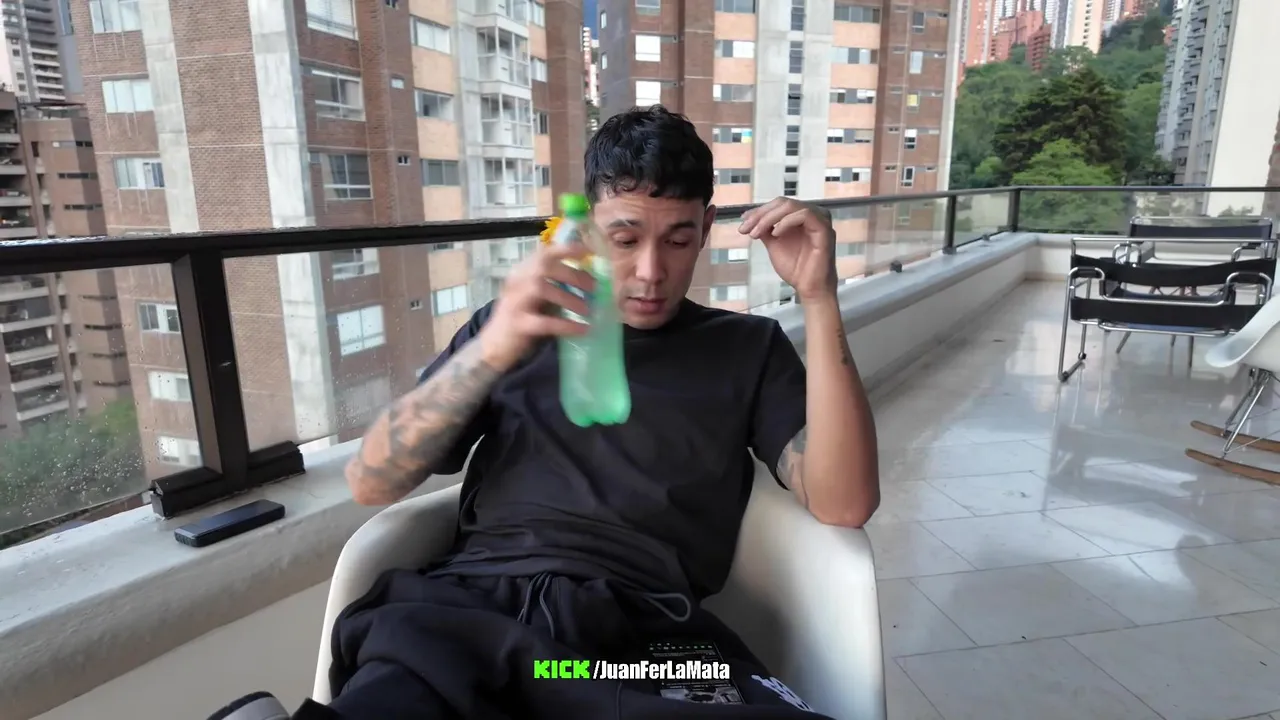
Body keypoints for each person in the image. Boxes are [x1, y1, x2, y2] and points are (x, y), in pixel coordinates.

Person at [210, 106, 879, 720]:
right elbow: (372, 480)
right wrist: (493, 349)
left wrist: (819, 297)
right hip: (469, 619)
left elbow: (844, 502)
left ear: (706, 230)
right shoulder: (511, 327)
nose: (651, 271)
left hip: (640, 649)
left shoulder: (745, 348)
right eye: (625, 238)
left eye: (678, 240)